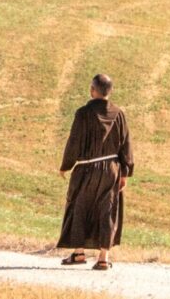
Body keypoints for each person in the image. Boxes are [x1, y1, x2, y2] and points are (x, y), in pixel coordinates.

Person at [57, 74, 134, 271]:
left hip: (87, 168)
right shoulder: (119, 114)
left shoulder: (83, 113)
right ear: (110, 91)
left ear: (92, 90)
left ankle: (79, 252)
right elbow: (126, 145)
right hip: (111, 170)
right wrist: (125, 172)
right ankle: (103, 258)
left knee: (79, 207)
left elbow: (74, 142)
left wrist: (66, 165)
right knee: (107, 211)